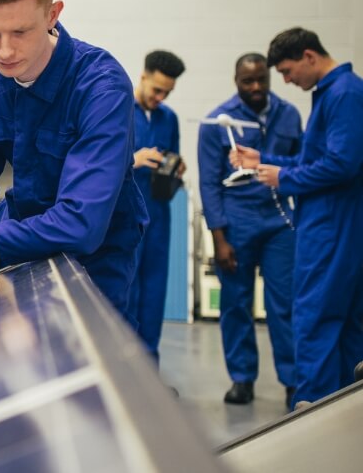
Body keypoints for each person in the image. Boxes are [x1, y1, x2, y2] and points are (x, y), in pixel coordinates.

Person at [0, 0, 148, 329]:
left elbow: (82, 224)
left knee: (88, 361)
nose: (4, 52)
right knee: (17, 369)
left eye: (20, 32)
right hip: (15, 244)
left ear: (53, 13)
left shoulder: (100, 87)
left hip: (97, 256)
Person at [232, 28, 363, 408]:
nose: (287, 81)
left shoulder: (344, 94)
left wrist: (283, 178)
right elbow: (315, 159)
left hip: (332, 226)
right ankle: (342, 410)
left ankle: (312, 410)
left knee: (315, 318)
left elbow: (341, 165)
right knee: (343, 322)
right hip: (330, 222)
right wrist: (265, 162)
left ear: (309, 56)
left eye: (288, 72)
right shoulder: (333, 94)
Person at [198, 52, 301, 407]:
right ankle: (242, 378)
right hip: (236, 220)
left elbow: (301, 167)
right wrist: (219, 239)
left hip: (279, 223)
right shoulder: (216, 123)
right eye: (247, 81)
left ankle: (293, 379)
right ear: (236, 80)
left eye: (261, 80)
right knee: (236, 303)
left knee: (285, 303)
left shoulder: (289, 115)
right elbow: (209, 184)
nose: (255, 87)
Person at [130, 50, 186, 360]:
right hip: (124, 220)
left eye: (167, 92)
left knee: (154, 293)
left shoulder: (170, 118)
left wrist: (177, 168)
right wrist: (132, 159)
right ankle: (125, 371)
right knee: (127, 292)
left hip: (159, 216)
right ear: (143, 77)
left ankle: (149, 368)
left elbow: (172, 159)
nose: (161, 97)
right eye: (157, 90)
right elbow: (95, 162)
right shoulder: (117, 110)